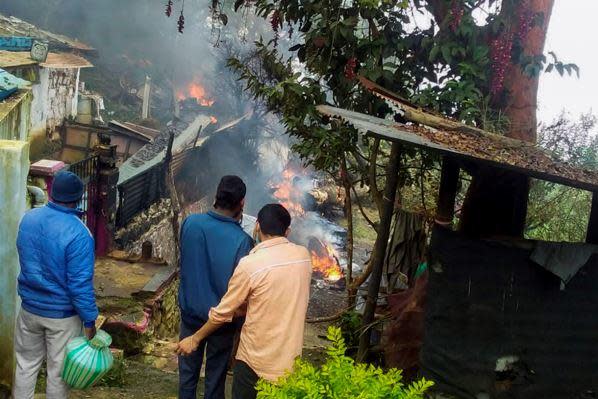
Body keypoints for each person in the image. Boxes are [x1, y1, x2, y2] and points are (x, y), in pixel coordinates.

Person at [177, 204, 313, 399]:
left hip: (254, 363)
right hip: (288, 362)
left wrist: (195, 339)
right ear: (287, 231)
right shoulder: (304, 257)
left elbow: (222, 312)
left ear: (257, 226)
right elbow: (270, 295)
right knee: (215, 379)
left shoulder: (251, 265)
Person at [14, 171, 98, 399]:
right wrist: (90, 320)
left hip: (29, 309)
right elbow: (80, 285)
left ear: (50, 192)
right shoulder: (80, 234)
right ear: (78, 198)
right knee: (58, 373)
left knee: (25, 365)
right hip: (62, 317)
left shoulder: (28, 219)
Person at [178, 175, 254, 399]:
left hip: (190, 315)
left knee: (187, 376)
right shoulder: (243, 241)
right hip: (222, 323)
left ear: (215, 197)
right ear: (241, 203)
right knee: (215, 378)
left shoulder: (191, 223)